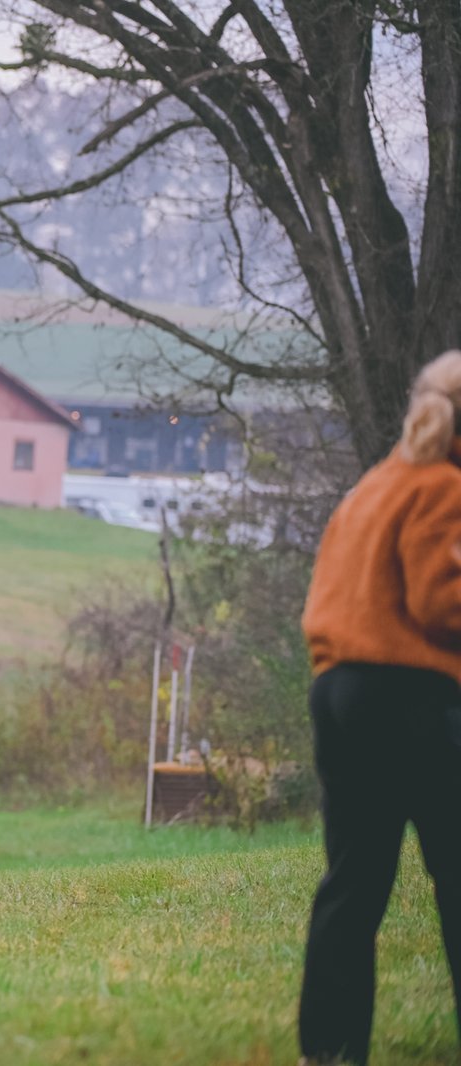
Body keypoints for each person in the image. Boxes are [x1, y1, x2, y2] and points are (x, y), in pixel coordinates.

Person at [297, 350, 461, 1065]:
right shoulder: (442, 488)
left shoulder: (371, 487)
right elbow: (439, 602)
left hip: (338, 691)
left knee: (354, 881)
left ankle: (328, 1050)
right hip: (411, 695)